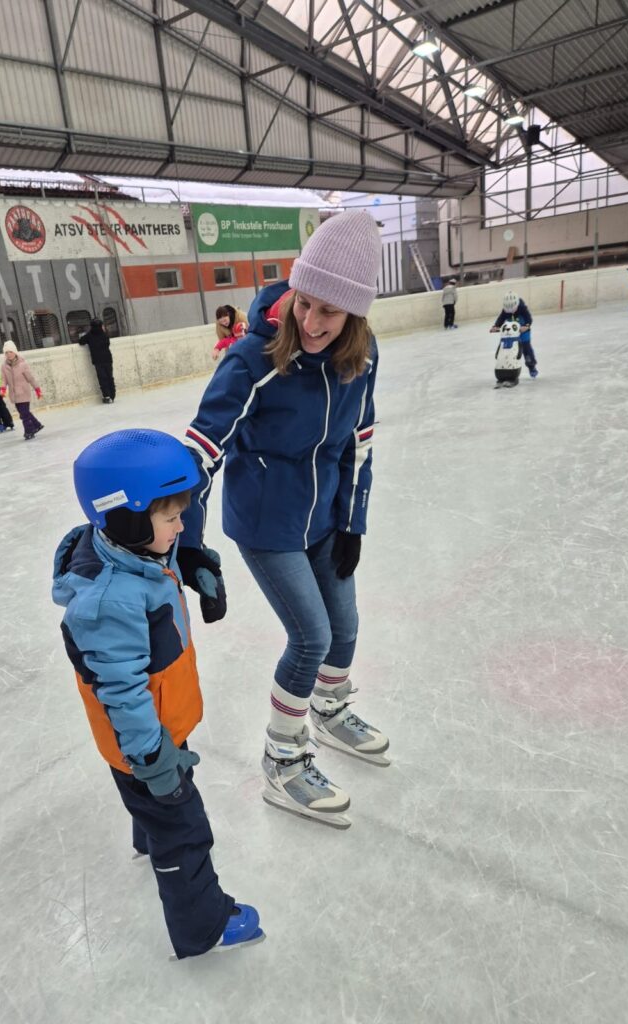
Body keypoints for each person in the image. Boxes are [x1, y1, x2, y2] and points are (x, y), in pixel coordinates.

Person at [178, 210, 388, 832]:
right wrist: (190, 545)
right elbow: (200, 450)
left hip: (325, 516)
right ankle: (283, 758)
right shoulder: (253, 359)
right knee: (311, 638)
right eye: (306, 303)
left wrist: (352, 523)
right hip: (267, 523)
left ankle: (329, 708)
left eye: (331, 312)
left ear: (356, 316)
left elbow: (359, 441)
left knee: (345, 627)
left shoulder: (363, 356)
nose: (313, 322)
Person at [52, 429, 264, 960]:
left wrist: (193, 564)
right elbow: (122, 693)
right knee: (184, 831)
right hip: (145, 741)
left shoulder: (132, 549)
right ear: (127, 518)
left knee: (153, 808)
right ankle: (203, 927)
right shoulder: (109, 602)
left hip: (158, 723)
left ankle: (146, 834)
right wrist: (152, 758)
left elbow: (160, 562)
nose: (181, 527)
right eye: (172, 519)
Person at [0, 341, 44, 440]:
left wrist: (37, 389)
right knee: (24, 413)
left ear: (15, 352)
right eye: (6, 353)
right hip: (14, 395)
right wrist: (3, 388)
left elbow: (30, 378)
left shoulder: (22, 364)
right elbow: (3, 379)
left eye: (10, 352)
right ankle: (37, 425)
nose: (8, 354)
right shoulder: (4, 366)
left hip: (24, 393)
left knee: (24, 414)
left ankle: (29, 431)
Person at [490, 291, 537, 378]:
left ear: (517, 304)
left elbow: (529, 318)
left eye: (512, 309)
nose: (510, 311)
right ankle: (505, 366)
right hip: (511, 333)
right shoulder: (505, 311)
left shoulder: (522, 308)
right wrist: (496, 326)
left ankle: (531, 366)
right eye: (507, 309)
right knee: (505, 346)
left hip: (523, 332)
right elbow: (501, 319)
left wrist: (526, 326)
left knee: (526, 347)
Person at [78, 318, 116, 403]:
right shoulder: (104, 335)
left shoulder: (90, 335)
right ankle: (112, 395)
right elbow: (107, 343)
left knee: (102, 378)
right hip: (107, 358)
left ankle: (107, 396)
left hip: (98, 360)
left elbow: (81, 341)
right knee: (110, 377)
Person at [492, 321, 523, 389]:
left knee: (512, 365)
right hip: (500, 365)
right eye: (505, 327)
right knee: (500, 365)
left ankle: (512, 379)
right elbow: (499, 349)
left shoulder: (516, 340)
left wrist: (518, 355)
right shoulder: (502, 341)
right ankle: (500, 380)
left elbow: (520, 349)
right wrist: (497, 355)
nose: (508, 329)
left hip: (513, 365)